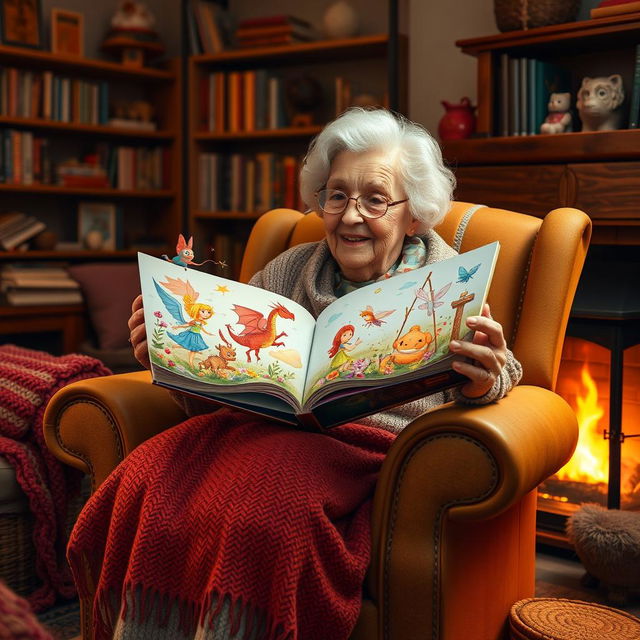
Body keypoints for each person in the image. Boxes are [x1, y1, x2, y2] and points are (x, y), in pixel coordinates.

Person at [68, 108, 522, 640]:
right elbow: (224, 392)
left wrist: (488, 376)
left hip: (368, 452)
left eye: (375, 199)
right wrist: (169, 361)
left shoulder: (448, 283)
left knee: (264, 519)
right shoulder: (286, 270)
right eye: (336, 196)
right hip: (257, 433)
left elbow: (502, 372)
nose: (351, 216)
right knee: (147, 476)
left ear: (414, 213)